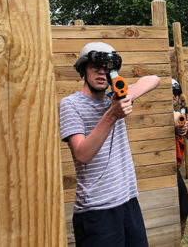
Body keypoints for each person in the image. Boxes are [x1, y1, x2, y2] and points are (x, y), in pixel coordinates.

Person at [59, 42, 161, 247]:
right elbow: (82, 154)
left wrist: (126, 97)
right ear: (82, 69)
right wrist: (113, 113)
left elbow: (153, 79)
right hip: (96, 210)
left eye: (107, 67)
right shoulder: (70, 105)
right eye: (95, 66)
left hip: (128, 201)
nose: (101, 72)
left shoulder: (113, 97)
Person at [172, 79, 188, 238]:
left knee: (184, 211)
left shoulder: (179, 116)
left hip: (175, 170)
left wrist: (187, 129)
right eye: (170, 93)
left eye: (175, 94)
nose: (173, 97)